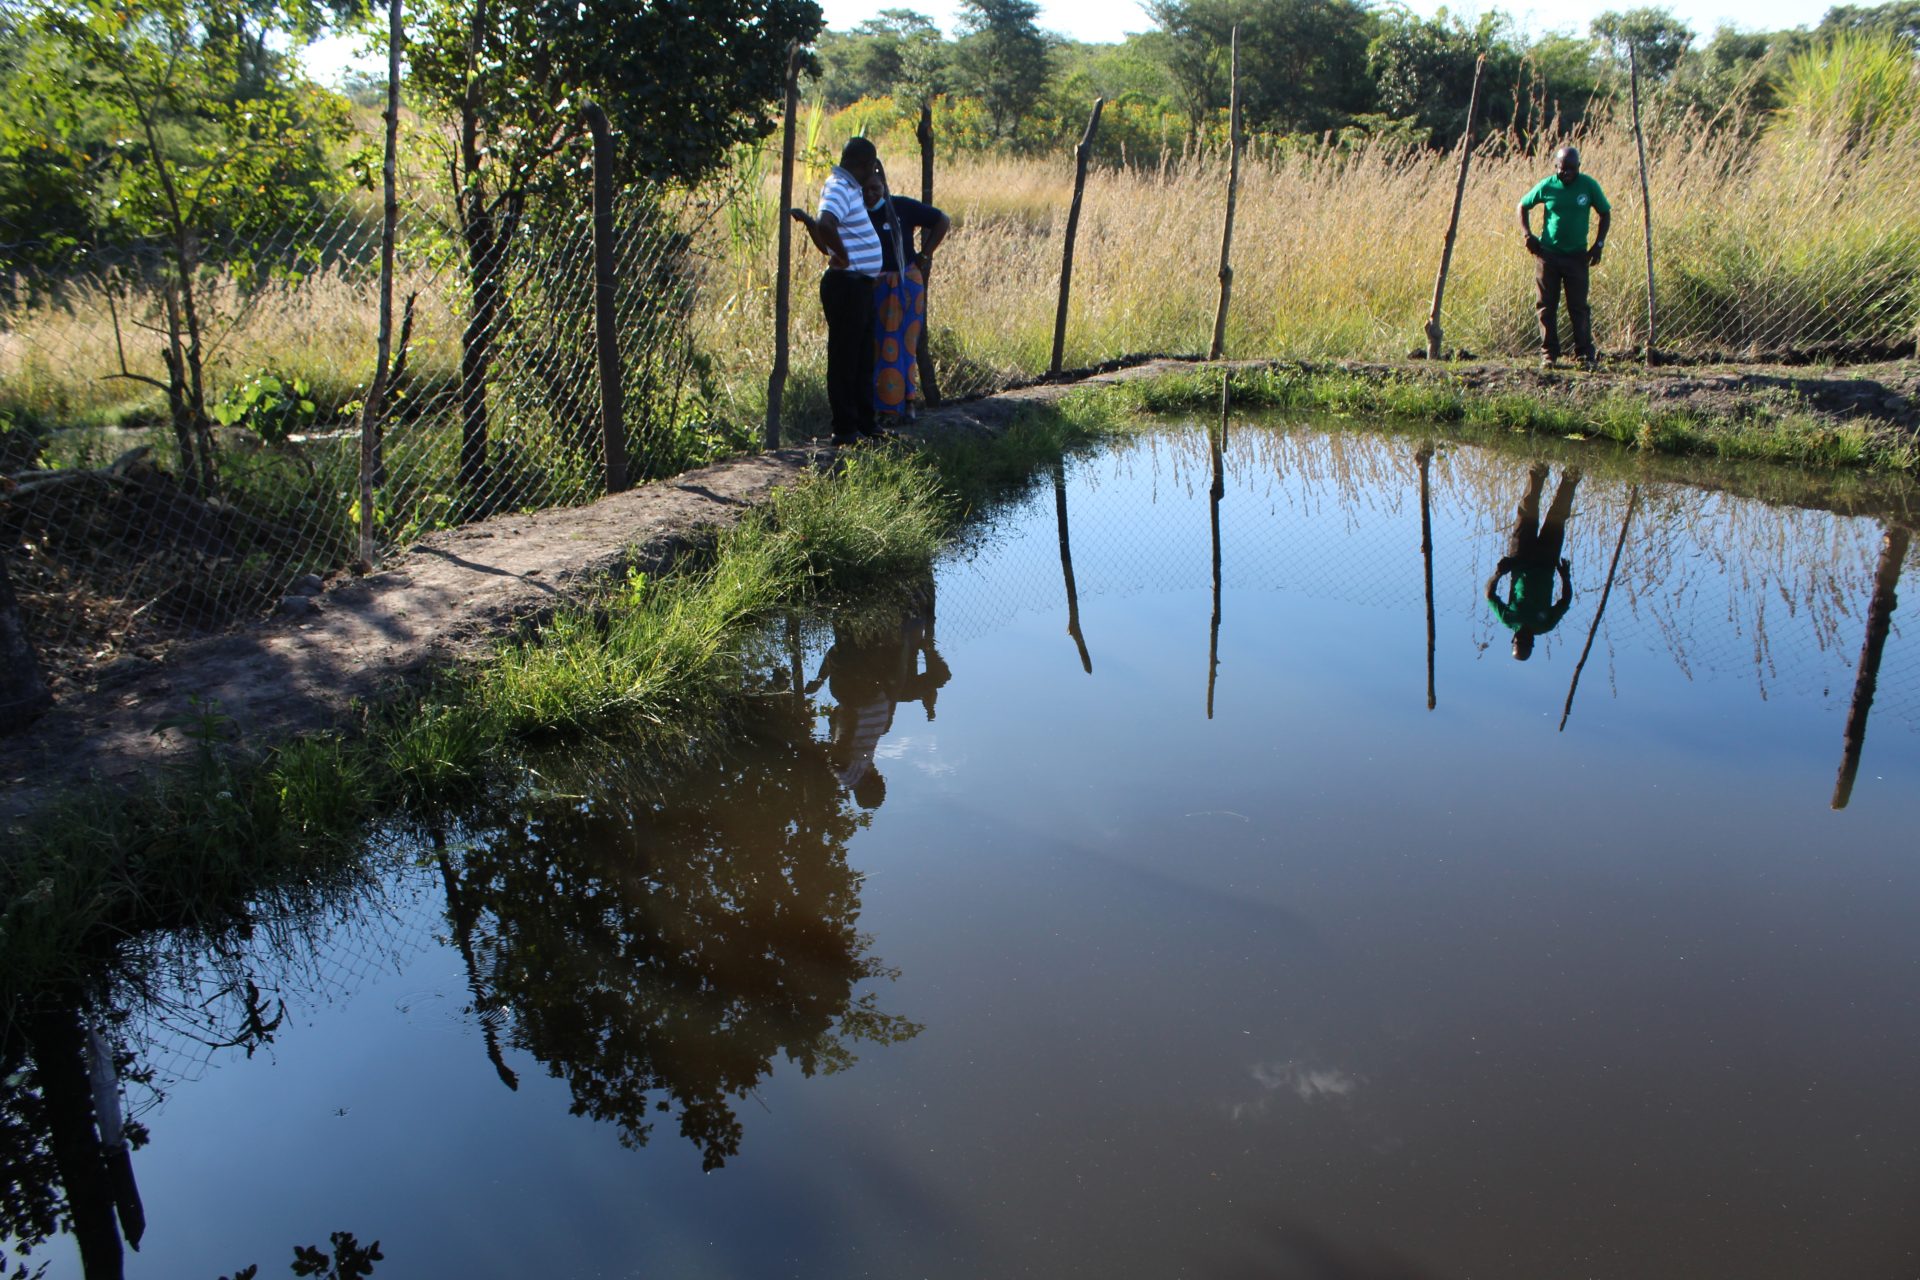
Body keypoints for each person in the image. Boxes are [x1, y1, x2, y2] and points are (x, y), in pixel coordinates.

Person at [805, 578, 951, 810]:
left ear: (875, 784)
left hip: (861, 693)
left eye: (880, 780)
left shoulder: (849, 774)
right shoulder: (859, 770)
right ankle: (911, 632)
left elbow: (842, 740)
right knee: (927, 680)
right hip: (869, 694)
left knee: (932, 675)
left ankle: (912, 633)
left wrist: (853, 704)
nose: (880, 775)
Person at [789, 138, 888, 447]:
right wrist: (844, 257)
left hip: (859, 284)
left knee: (861, 357)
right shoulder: (838, 187)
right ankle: (845, 428)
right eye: (871, 167)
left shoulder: (849, 189)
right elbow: (827, 223)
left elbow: (828, 229)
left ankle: (865, 423)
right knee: (846, 357)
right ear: (865, 165)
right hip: (847, 284)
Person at [862, 165, 950, 425]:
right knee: (879, 345)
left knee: (905, 344)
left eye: (875, 189)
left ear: (884, 188)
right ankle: (884, 408)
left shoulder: (901, 208)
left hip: (905, 284)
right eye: (864, 190)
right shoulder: (856, 214)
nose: (869, 195)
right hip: (875, 287)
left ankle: (907, 402)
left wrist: (925, 255)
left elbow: (942, 220)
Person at [1518, 146, 1610, 371]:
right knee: (1546, 306)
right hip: (1548, 256)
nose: (1566, 173)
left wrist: (1598, 244)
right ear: (1555, 167)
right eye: (1562, 168)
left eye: (1571, 168)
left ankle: (1585, 355)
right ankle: (1549, 355)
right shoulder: (1548, 186)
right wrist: (1527, 235)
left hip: (1577, 257)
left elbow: (1605, 212)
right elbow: (1522, 205)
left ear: (1579, 167)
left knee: (1578, 307)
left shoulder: (1588, 186)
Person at [1485, 463, 1581, 661]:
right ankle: (1573, 473)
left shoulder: (1508, 619)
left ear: (1513, 640)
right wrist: (1565, 577)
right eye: (1526, 644)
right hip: (1547, 561)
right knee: (1558, 516)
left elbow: (1489, 594)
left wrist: (1498, 573)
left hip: (1520, 557)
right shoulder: (1545, 625)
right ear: (1532, 643)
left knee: (1527, 512)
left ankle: (1538, 468)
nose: (1522, 640)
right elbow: (1564, 602)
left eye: (1518, 643)